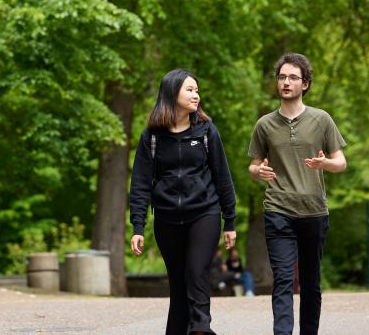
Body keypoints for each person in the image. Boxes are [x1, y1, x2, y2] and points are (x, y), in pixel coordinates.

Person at [130, 68, 237, 335]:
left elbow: (222, 176)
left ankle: (201, 328)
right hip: (167, 218)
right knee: (178, 284)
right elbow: (141, 183)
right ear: (171, 92)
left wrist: (230, 219)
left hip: (205, 213)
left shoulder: (206, 132)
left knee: (196, 271)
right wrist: (138, 226)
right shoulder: (152, 137)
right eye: (189, 90)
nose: (196, 95)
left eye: (197, 90)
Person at [248, 53, 347, 335]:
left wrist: (325, 163)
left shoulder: (321, 119)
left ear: (305, 83)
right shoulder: (264, 124)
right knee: (282, 279)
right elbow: (253, 166)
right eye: (282, 77)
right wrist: (258, 172)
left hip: (314, 211)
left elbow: (341, 162)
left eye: (293, 77)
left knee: (311, 282)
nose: (286, 82)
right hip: (278, 210)